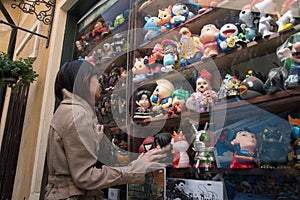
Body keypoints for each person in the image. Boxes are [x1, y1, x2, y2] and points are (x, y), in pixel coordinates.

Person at [45, 60, 169, 199]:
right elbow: (85, 177)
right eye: (96, 79)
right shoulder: (77, 115)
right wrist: (134, 170)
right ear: (84, 80)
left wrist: (95, 141)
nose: (100, 85)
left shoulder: (66, 111)